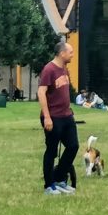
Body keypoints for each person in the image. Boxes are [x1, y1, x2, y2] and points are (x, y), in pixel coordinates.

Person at [38, 41, 79, 195]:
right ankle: (49, 185)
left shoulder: (64, 69)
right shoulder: (49, 69)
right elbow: (41, 93)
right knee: (52, 151)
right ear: (62, 53)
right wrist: (47, 117)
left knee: (73, 146)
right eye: (70, 52)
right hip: (53, 117)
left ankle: (60, 178)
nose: (72, 55)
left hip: (67, 115)